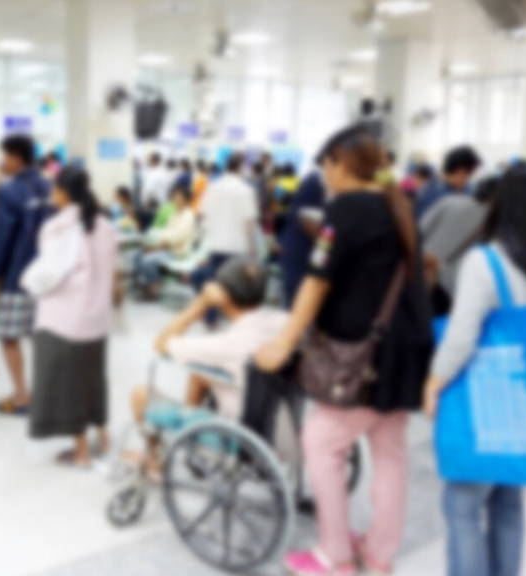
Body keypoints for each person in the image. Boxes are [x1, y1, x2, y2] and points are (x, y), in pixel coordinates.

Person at [255, 125, 433, 575]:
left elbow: (317, 281)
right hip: (407, 348)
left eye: (326, 166)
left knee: (322, 442)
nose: (325, 176)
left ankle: (334, 556)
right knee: (390, 452)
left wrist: (284, 341)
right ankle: (379, 556)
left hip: (362, 355)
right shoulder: (399, 205)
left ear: (343, 164)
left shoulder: (347, 208)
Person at [424, 161, 526, 576]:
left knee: (463, 507)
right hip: (525, 400)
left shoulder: (485, 262)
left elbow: (461, 336)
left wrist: (434, 381)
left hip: (485, 402)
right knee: (508, 502)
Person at [129, 258, 288, 470]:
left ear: (223, 295)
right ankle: (187, 429)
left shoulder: (226, 344)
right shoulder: (286, 323)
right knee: (199, 374)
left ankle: (155, 461)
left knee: (140, 394)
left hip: (237, 437)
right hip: (278, 431)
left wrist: (201, 303)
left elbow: (161, 344)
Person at [22, 166, 117, 467]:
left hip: (63, 319)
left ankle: (81, 453)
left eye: (55, 188)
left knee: (68, 385)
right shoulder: (106, 225)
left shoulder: (58, 227)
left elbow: (49, 274)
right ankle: (103, 437)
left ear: (64, 192)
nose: (52, 193)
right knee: (94, 379)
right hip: (97, 318)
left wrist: (28, 282)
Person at [0, 134, 51, 415]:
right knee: (42, 337)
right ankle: (46, 394)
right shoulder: (51, 187)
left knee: (10, 336)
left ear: (16, 157)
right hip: (49, 277)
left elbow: (1, 239)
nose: (3, 162)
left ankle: (22, 395)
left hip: (18, 275)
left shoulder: (8, 190)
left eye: (5, 156)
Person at [192, 152, 259, 326]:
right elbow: (249, 222)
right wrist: (253, 248)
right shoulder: (246, 190)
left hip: (216, 243)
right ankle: (234, 318)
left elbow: (202, 214)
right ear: (242, 168)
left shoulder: (213, 187)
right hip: (238, 246)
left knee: (214, 281)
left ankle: (210, 318)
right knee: (236, 285)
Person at [421, 175, 500, 316]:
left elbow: (420, 230)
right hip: (452, 286)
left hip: (422, 271)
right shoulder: (493, 222)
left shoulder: (449, 201)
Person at [133, 186, 197, 300]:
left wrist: (159, 244)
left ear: (186, 200)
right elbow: (165, 232)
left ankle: (154, 286)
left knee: (148, 261)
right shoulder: (174, 214)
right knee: (137, 254)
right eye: (175, 198)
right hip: (167, 247)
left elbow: (178, 237)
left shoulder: (188, 216)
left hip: (177, 251)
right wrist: (154, 245)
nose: (176, 200)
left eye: (179, 198)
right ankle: (145, 283)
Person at [279, 171, 327, 307]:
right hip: (302, 260)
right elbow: (313, 226)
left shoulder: (313, 182)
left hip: (298, 256)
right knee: (298, 302)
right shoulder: (316, 182)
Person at [415, 146, 482, 218]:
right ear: (460, 171)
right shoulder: (430, 192)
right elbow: (424, 221)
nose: (468, 180)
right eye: (468, 175)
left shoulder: (469, 189)